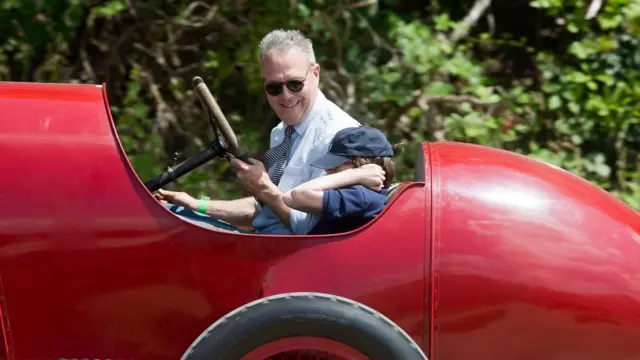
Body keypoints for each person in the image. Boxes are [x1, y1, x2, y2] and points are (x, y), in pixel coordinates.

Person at [154, 29, 361, 234]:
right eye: (274, 88)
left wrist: (264, 188)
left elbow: (310, 230)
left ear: (315, 73)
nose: (286, 96)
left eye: (295, 84)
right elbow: (264, 213)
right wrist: (196, 204)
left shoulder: (342, 137)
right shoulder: (282, 131)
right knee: (166, 212)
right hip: (261, 244)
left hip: (292, 257)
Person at [283, 126, 396, 235]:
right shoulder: (357, 195)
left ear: (364, 165)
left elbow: (298, 194)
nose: (328, 168)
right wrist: (355, 174)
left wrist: (355, 174)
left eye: (338, 163)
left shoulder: (361, 197)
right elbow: (289, 198)